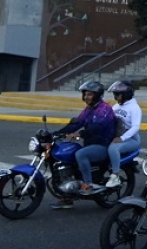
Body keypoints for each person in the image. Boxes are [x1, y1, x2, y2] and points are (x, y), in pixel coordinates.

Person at [56, 79, 118, 209]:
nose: (86, 97)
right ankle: (68, 195)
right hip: (90, 145)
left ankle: (88, 184)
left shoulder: (105, 109)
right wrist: (56, 133)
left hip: (103, 145)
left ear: (97, 95)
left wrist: (80, 134)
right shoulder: (88, 109)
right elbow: (77, 123)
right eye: (85, 94)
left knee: (80, 154)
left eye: (89, 94)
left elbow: (97, 127)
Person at [104, 80, 142, 189]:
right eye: (114, 94)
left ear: (126, 94)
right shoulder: (116, 107)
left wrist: (122, 138)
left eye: (117, 94)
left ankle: (115, 175)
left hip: (131, 139)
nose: (115, 97)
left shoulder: (134, 108)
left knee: (113, 149)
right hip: (117, 136)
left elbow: (135, 127)